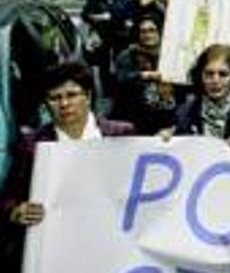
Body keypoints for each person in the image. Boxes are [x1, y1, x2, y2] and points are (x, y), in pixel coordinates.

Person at [0, 62, 134, 269]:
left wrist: (164, 142)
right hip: (54, 250)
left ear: (88, 96)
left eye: (72, 95)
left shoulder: (122, 134)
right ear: (46, 103)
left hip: (109, 244)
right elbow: (7, 198)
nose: (64, 104)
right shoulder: (32, 145)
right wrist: (17, 210)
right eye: (55, 98)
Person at [111, 13, 180, 135]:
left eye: (152, 30)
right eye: (143, 31)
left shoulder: (170, 55)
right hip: (135, 123)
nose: (148, 35)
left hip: (165, 123)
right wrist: (145, 75)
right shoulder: (127, 56)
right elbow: (121, 81)